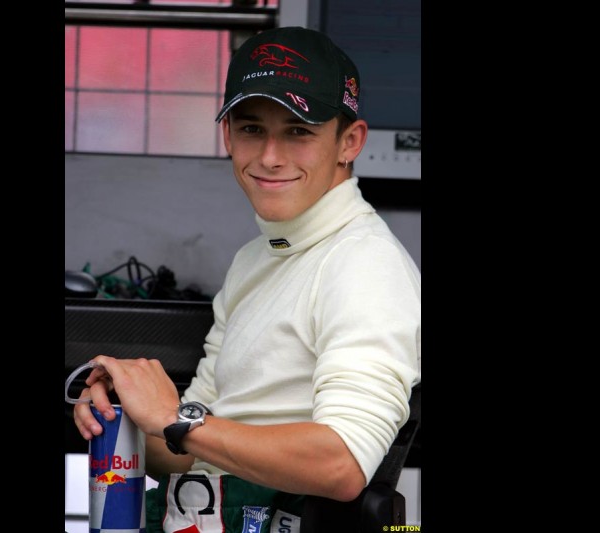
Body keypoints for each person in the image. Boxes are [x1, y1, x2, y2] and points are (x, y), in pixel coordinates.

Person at [73, 26, 421, 532]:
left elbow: (342, 464)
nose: (270, 156)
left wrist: (177, 420)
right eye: (252, 128)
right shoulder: (256, 259)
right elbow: (191, 453)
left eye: (299, 131)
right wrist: (128, 414)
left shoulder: (365, 266)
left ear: (349, 142)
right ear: (227, 136)